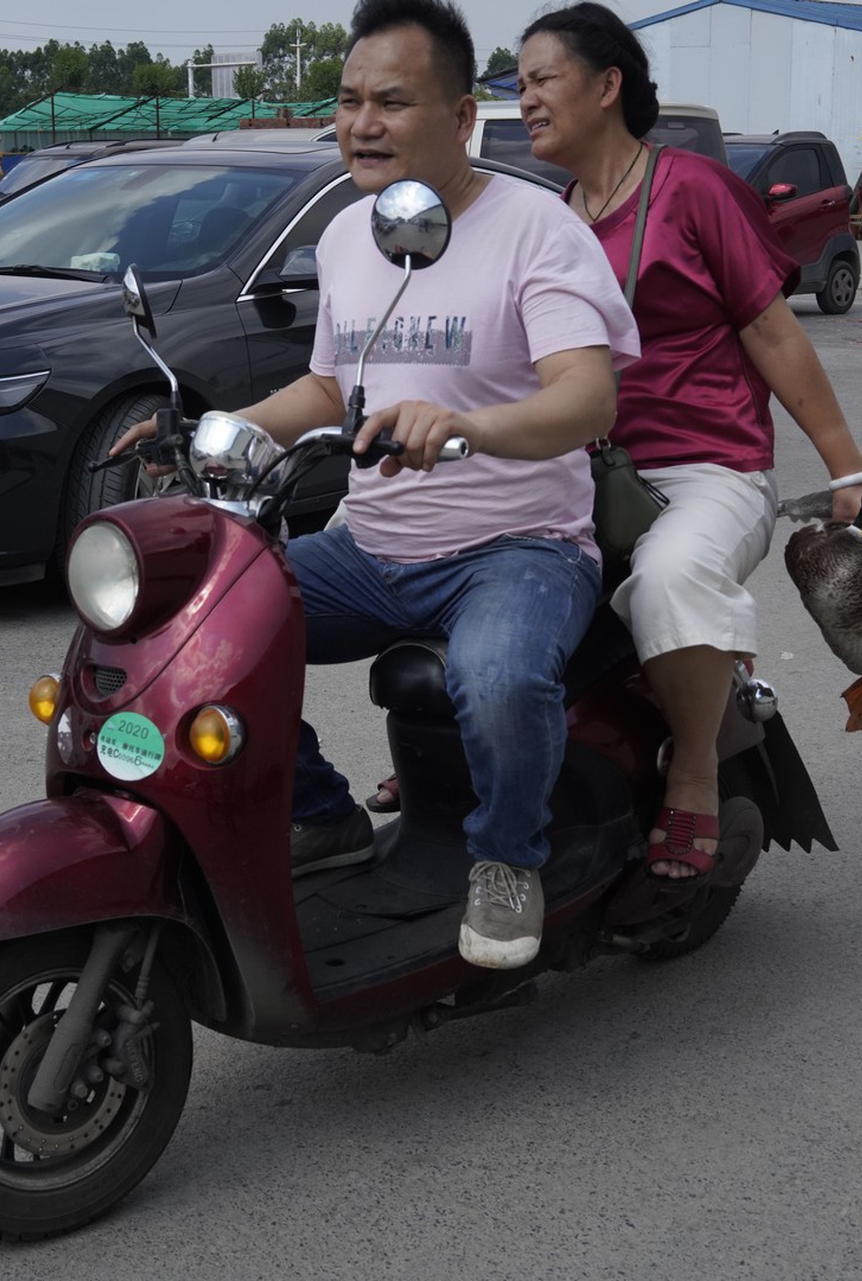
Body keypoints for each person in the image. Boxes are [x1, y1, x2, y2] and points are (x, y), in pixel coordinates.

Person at [115, 0, 640, 969]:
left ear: (462, 117)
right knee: (198, 632)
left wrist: (469, 426)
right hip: (374, 544)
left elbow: (588, 397)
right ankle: (319, 813)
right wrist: (215, 428)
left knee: (497, 678)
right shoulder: (354, 237)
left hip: (517, 546)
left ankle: (506, 860)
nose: (362, 122)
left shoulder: (536, 231)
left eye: (393, 102)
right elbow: (330, 383)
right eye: (351, 99)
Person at [514, 3, 862, 884]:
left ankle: (694, 769)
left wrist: (849, 469)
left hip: (710, 469)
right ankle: (482, 766)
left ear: (607, 87)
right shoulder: (551, 217)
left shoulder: (694, 189)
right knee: (470, 566)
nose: (523, 99)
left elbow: (773, 334)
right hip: (587, 474)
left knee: (673, 574)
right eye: (517, 83)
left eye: (541, 79)